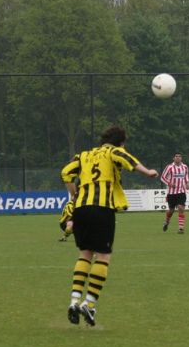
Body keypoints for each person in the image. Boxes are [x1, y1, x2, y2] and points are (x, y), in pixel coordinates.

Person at [60, 126, 159, 326]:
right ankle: (89, 304)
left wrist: (75, 193)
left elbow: (65, 173)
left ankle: (74, 301)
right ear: (121, 142)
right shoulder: (113, 151)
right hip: (102, 209)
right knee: (103, 256)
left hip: (80, 209)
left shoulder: (83, 155)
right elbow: (129, 160)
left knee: (85, 254)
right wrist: (148, 172)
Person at [160, 151, 189, 234]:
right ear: (173, 158)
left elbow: (186, 176)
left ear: (181, 158)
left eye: (179, 156)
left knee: (181, 208)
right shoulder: (169, 167)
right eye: (176, 156)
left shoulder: (185, 167)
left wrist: (187, 183)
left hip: (181, 192)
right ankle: (167, 222)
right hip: (171, 193)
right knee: (171, 211)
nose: (178, 157)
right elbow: (162, 177)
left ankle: (181, 228)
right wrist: (169, 183)